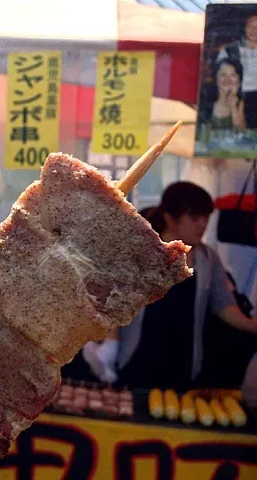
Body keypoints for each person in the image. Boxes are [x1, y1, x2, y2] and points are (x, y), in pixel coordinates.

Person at [85, 182, 257, 391]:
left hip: (184, 363)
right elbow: (113, 301)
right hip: (138, 359)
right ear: (169, 218)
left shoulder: (207, 258)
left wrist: (249, 324)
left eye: (206, 218)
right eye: (194, 218)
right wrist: (109, 346)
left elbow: (223, 304)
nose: (202, 225)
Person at [217, 14, 257, 129]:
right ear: (244, 27)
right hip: (234, 98)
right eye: (251, 26)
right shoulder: (229, 49)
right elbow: (219, 76)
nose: (254, 30)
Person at [201, 59, 246, 132]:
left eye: (233, 75)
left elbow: (240, 131)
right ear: (216, 77)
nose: (227, 79)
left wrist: (233, 107)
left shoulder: (240, 102)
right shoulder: (204, 98)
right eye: (223, 75)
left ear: (239, 80)